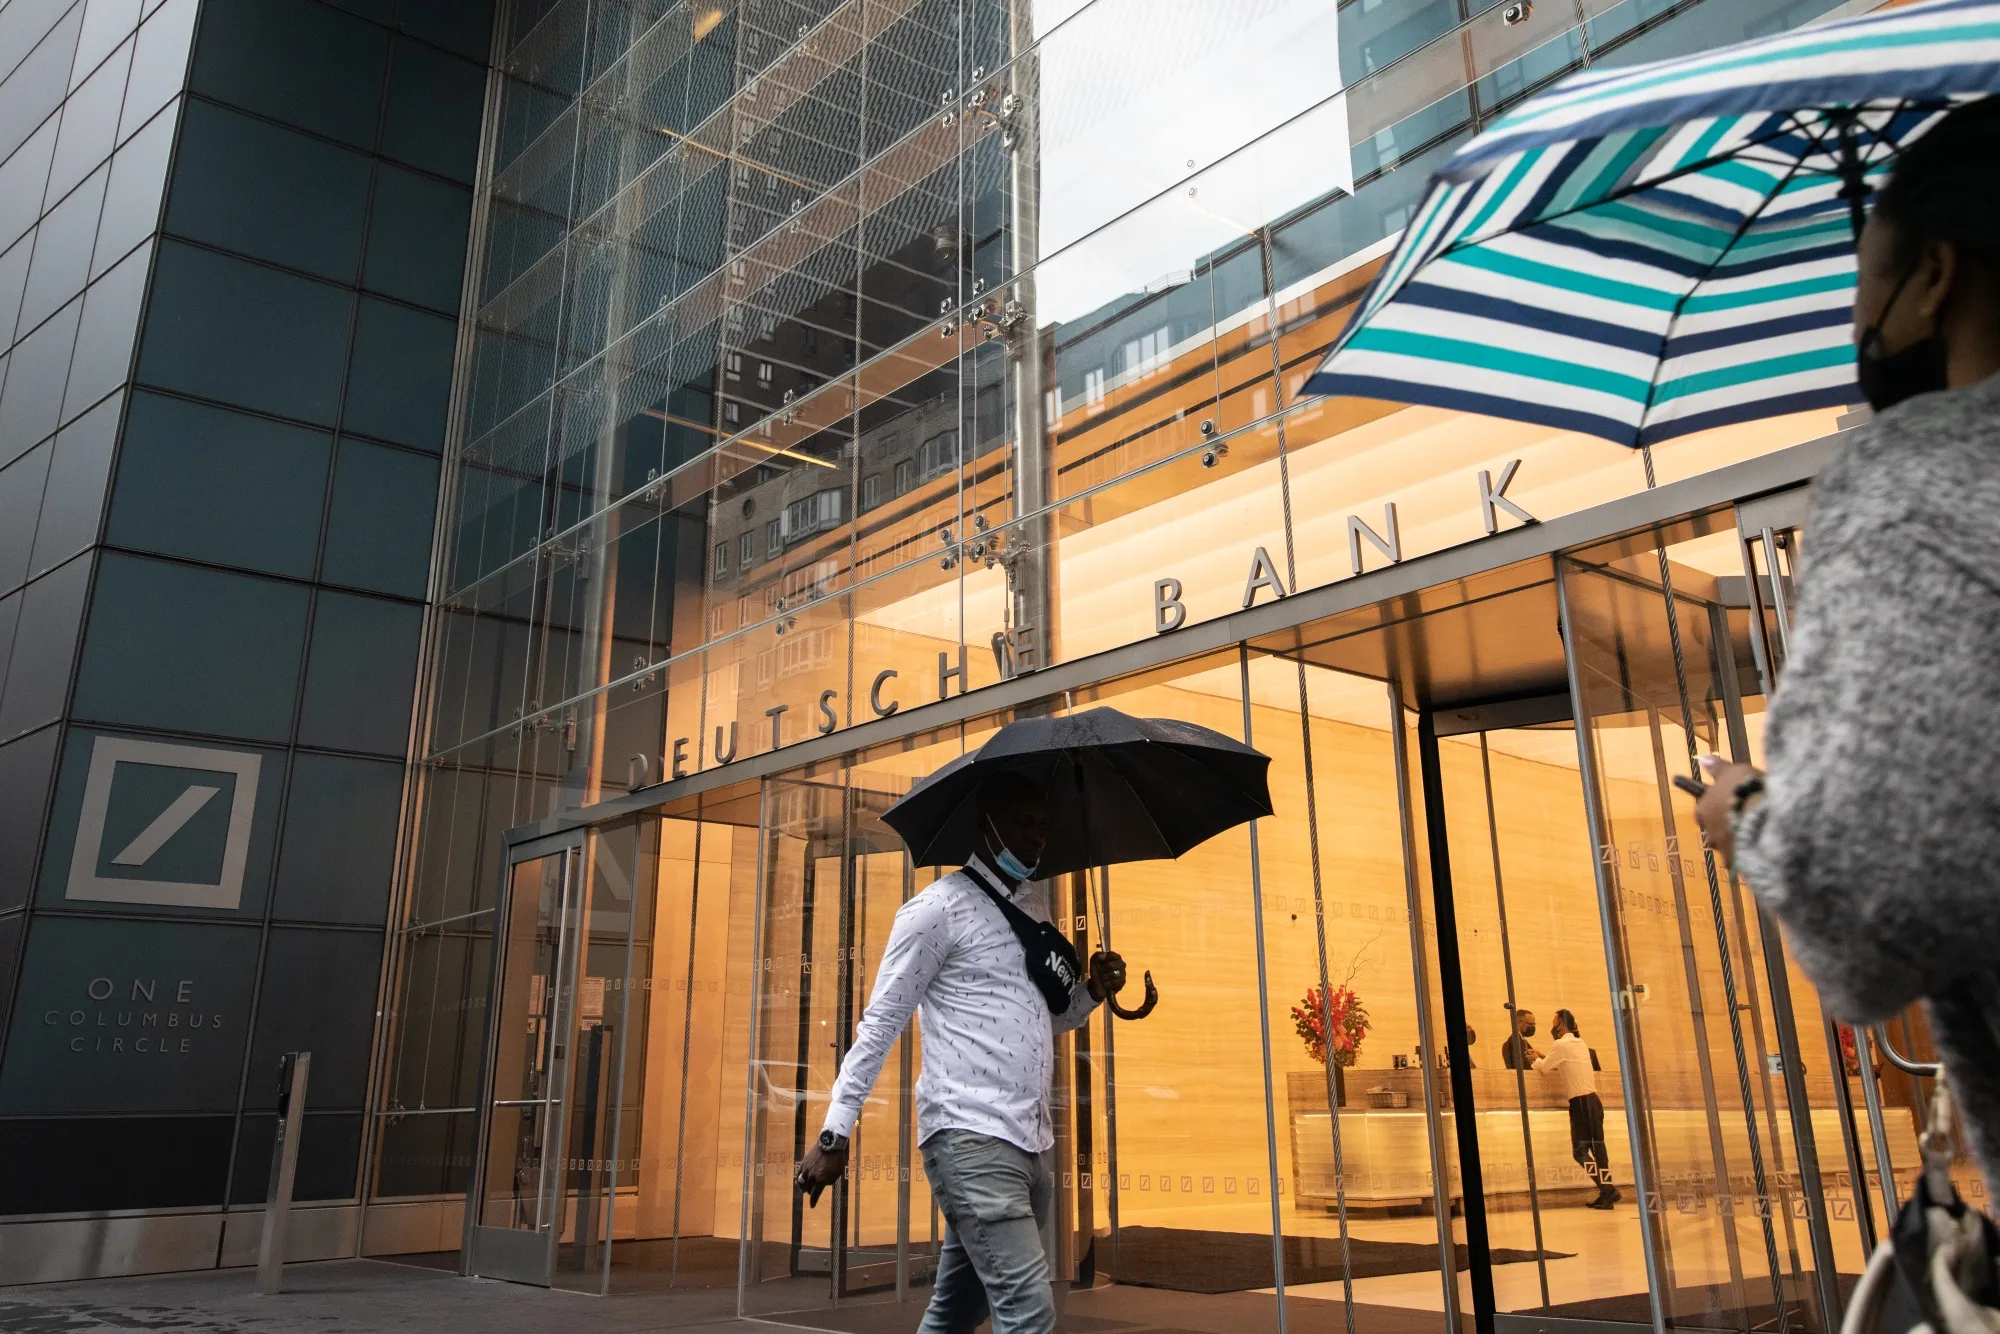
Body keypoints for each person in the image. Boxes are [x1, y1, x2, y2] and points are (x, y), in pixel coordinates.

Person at [1692, 97, 2000, 1194]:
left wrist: (1743, 815)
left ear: (1933, 276)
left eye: (1866, 278)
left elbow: (1869, 910)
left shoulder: (1910, 473)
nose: (1855, 315)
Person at [795, 773, 1127, 1334]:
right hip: (970, 1137)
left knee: (957, 1312)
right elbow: (879, 1025)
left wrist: (1092, 992)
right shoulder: (937, 910)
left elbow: (1049, 1016)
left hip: (1031, 1142)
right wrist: (835, 1132)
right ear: (985, 826)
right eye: (1023, 825)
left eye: (1043, 828)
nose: (1035, 841)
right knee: (1029, 1313)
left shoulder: (1034, 910)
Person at [1536, 1008, 1618, 1209]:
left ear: (1561, 1025)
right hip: (1593, 1102)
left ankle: (1607, 1190)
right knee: (1599, 1150)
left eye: (1554, 1022)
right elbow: (1563, 1063)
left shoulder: (1560, 1044)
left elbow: (1545, 1068)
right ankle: (1607, 1190)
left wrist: (1534, 1060)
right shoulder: (1580, 1044)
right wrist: (1542, 1056)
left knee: (1580, 1152)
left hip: (1580, 1104)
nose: (1552, 1027)